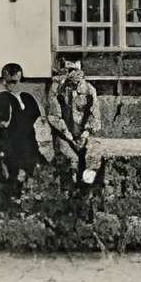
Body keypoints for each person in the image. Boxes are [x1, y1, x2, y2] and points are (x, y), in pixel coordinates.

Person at [42, 56, 104, 196]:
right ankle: (68, 196)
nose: (73, 74)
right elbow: (54, 116)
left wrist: (85, 134)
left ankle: (86, 194)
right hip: (64, 134)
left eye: (76, 70)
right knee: (70, 162)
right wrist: (68, 135)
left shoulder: (89, 90)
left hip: (83, 134)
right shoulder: (57, 89)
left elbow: (95, 116)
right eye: (69, 70)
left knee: (92, 161)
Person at [0, 63, 44, 199]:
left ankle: (25, 199)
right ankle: (10, 201)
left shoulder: (28, 99)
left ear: (20, 79)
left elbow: (35, 119)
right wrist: (1, 124)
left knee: (27, 172)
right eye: (4, 80)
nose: (6, 84)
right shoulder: (0, 99)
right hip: (7, 142)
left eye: (11, 81)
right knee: (10, 175)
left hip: (27, 142)